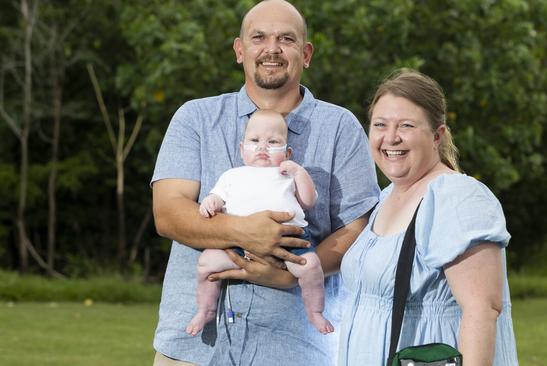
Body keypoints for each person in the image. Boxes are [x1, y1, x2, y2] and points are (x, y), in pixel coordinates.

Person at [150, 0, 379, 365]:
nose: (271, 48)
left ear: (305, 54)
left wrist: (292, 273)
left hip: (295, 348)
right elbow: (168, 213)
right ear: (240, 50)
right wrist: (244, 231)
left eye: (286, 39)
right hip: (193, 350)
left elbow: (359, 229)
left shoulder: (340, 128)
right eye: (259, 37)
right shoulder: (195, 118)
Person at [338, 69, 518, 366]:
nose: (390, 138)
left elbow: (482, 311)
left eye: (406, 126)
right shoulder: (385, 198)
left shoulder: (457, 197)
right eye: (380, 125)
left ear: (438, 136)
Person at [186, 109, 333, 336]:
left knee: (311, 266)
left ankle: (315, 311)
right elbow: (218, 196)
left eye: (273, 141)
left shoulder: (286, 174)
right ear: (242, 149)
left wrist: (299, 172)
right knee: (206, 263)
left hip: (289, 240)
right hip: (237, 241)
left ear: (287, 152)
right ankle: (206, 308)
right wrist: (210, 202)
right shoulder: (232, 175)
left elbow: (308, 201)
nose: (263, 147)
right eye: (254, 141)